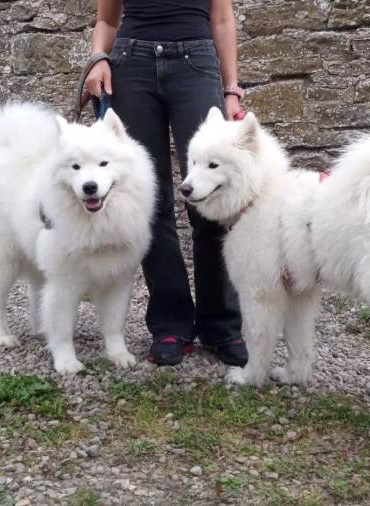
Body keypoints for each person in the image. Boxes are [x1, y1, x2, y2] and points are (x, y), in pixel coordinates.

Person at [81, 0, 248, 367]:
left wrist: (231, 89)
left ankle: (221, 324)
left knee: (211, 198)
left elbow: (221, 18)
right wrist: (98, 57)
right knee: (150, 201)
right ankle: (170, 323)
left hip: (196, 63)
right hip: (132, 66)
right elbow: (107, 20)